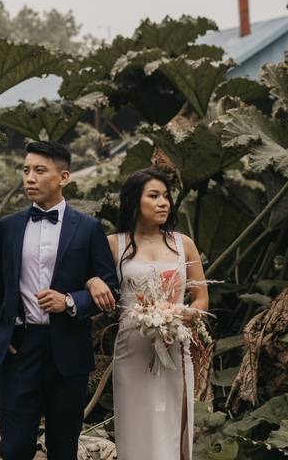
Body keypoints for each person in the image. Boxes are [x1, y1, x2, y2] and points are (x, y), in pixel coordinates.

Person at [0, 140, 119, 460]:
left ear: (64, 177)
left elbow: (110, 287)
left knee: (63, 447)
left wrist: (70, 302)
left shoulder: (88, 228)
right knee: (14, 447)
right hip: (20, 347)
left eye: (39, 171)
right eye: (26, 170)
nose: (29, 177)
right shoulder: (8, 228)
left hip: (67, 348)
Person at [86, 168, 209, 460]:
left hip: (175, 345)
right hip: (132, 348)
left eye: (166, 196)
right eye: (153, 196)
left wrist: (178, 316)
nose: (163, 202)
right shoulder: (114, 244)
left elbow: (202, 297)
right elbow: (85, 278)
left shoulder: (183, 244)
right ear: (133, 202)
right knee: (136, 423)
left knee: (172, 421)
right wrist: (92, 282)